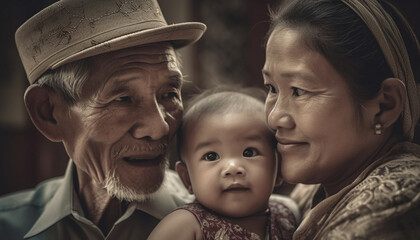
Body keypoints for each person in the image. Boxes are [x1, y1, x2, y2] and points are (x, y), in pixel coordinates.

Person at [0, 0, 206, 239]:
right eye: (123, 99)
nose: (159, 127)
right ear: (49, 113)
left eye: (170, 94)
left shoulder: (219, 222)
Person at [262, 0, 420, 239]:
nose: (275, 118)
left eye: (299, 90)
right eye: (271, 88)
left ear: (384, 106)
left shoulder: (399, 199)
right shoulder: (310, 191)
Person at [148, 87, 299, 240]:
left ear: (279, 169)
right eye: (211, 156)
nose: (233, 168)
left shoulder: (288, 214)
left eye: (249, 152)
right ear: (187, 178)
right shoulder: (183, 225)